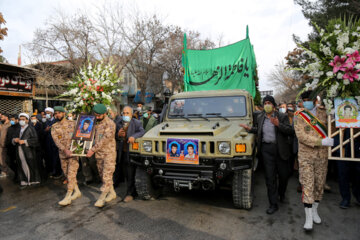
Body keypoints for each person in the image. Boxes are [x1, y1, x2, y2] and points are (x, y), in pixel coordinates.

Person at [240, 95, 294, 215]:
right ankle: (273, 204)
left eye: (269, 103)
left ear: (274, 105)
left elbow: (291, 131)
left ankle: (281, 193)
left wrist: (278, 124)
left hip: (280, 150)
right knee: (270, 178)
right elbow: (258, 130)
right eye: (265, 103)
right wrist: (249, 128)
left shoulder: (282, 116)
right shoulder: (260, 117)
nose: (267, 105)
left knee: (283, 176)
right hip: (266, 150)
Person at [294, 90, 334, 231]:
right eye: (304, 99)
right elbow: (301, 135)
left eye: (308, 99)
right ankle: (308, 217)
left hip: (322, 157)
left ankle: (315, 210)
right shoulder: (299, 115)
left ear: (315, 100)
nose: (306, 102)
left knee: (319, 185)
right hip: (306, 157)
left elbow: (333, 128)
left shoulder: (325, 112)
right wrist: (320, 141)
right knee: (308, 185)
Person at [86, 104, 117, 207]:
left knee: (107, 175)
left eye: (99, 115)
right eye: (96, 115)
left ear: (105, 113)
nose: (97, 117)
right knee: (103, 176)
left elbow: (104, 140)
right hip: (99, 155)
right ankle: (112, 193)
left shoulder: (110, 124)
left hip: (109, 154)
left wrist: (92, 150)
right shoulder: (95, 123)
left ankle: (101, 198)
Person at [51, 106, 81, 206]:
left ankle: (68, 196)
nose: (57, 115)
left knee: (71, 174)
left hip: (73, 153)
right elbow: (56, 141)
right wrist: (64, 150)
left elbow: (81, 135)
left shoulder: (74, 124)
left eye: (59, 113)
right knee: (67, 173)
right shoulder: (54, 126)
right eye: (56, 113)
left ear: (64, 113)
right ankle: (77, 191)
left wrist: (77, 149)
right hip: (63, 154)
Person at [116, 106, 145, 203]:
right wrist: (118, 135)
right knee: (125, 172)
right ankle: (129, 190)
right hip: (122, 152)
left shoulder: (136, 123)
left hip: (131, 152)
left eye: (127, 113)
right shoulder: (119, 123)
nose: (125, 115)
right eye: (123, 113)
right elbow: (116, 135)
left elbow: (142, 131)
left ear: (131, 114)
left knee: (130, 173)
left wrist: (133, 136)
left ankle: (130, 193)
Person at [12, 113, 41, 188]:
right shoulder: (18, 129)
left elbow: (36, 140)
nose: (21, 121)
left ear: (27, 120)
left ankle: (33, 180)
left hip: (29, 151)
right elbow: (12, 138)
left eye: (23, 119)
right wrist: (14, 140)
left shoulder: (31, 128)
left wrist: (25, 141)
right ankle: (24, 181)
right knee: (22, 165)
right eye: (20, 119)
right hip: (19, 151)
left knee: (31, 165)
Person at [43, 107, 62, 178]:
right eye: (46, 113)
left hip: (55, 142)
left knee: (56, 158)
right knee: (50, 158)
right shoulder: (45, 122)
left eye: (48, 113)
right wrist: (45, 130)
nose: (47, 114)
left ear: (52, 114)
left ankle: (58, 172)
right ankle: (51, 171)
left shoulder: (56, 121)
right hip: (48, 143)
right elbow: (43, 132)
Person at [5, 114, 20, 182]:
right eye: (10, 120)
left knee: (18, 163)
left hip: (17, 148)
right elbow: (7, 138)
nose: (11, 121)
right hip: (10, 148)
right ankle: (16, 174)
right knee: (9, 162)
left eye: (13, 120)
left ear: (17, 120)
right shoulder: (10, 128)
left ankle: (18, 176)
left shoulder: (20, 128)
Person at [0, 113, 11, 177]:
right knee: (2, 159)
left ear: (6, 117)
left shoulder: (9, 124)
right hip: (1, 144)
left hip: (5, 144)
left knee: (3, 159)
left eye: (2, 117)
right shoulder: (3, 124)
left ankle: (5, 171)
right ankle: (4, 171)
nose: (1, 118)